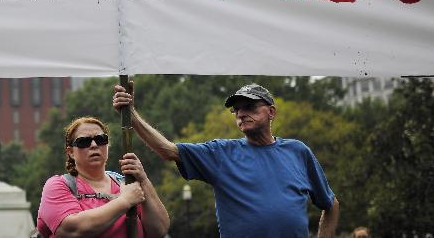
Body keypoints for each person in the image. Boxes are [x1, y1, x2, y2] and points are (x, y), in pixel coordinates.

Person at [113, 83, 340, 238]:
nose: (241, 114)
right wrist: (131, 114)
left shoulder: (298, 151)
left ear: (271, 112)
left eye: (249, 107)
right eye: (236, 110)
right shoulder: (221, 153)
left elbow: (331, 205)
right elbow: (168, 150)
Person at [36, 116, 169, 238]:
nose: (94, 145)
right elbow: (72, 230)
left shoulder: (126, 184)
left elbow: (158, 230)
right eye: (84, 141)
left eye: (100, 139)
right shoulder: (58, 185)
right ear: (70, 152)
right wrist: (124, 202)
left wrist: (143, 180)